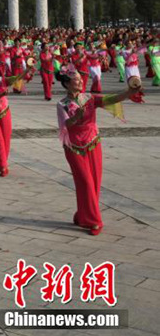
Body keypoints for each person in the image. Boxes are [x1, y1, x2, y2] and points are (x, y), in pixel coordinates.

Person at [55, 65, 144, 235]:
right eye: (76, 80)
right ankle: (94, 221)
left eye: (81, 80)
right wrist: (76, 117)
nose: (81, 82)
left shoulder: (89, 98)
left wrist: (129, 92)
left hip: (93, 142)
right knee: (85, 182)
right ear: (67, 84)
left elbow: (111, 99)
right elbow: (65, 125)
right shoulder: (62, 104)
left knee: (94, 182)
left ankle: (83, 214)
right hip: (74, 147)